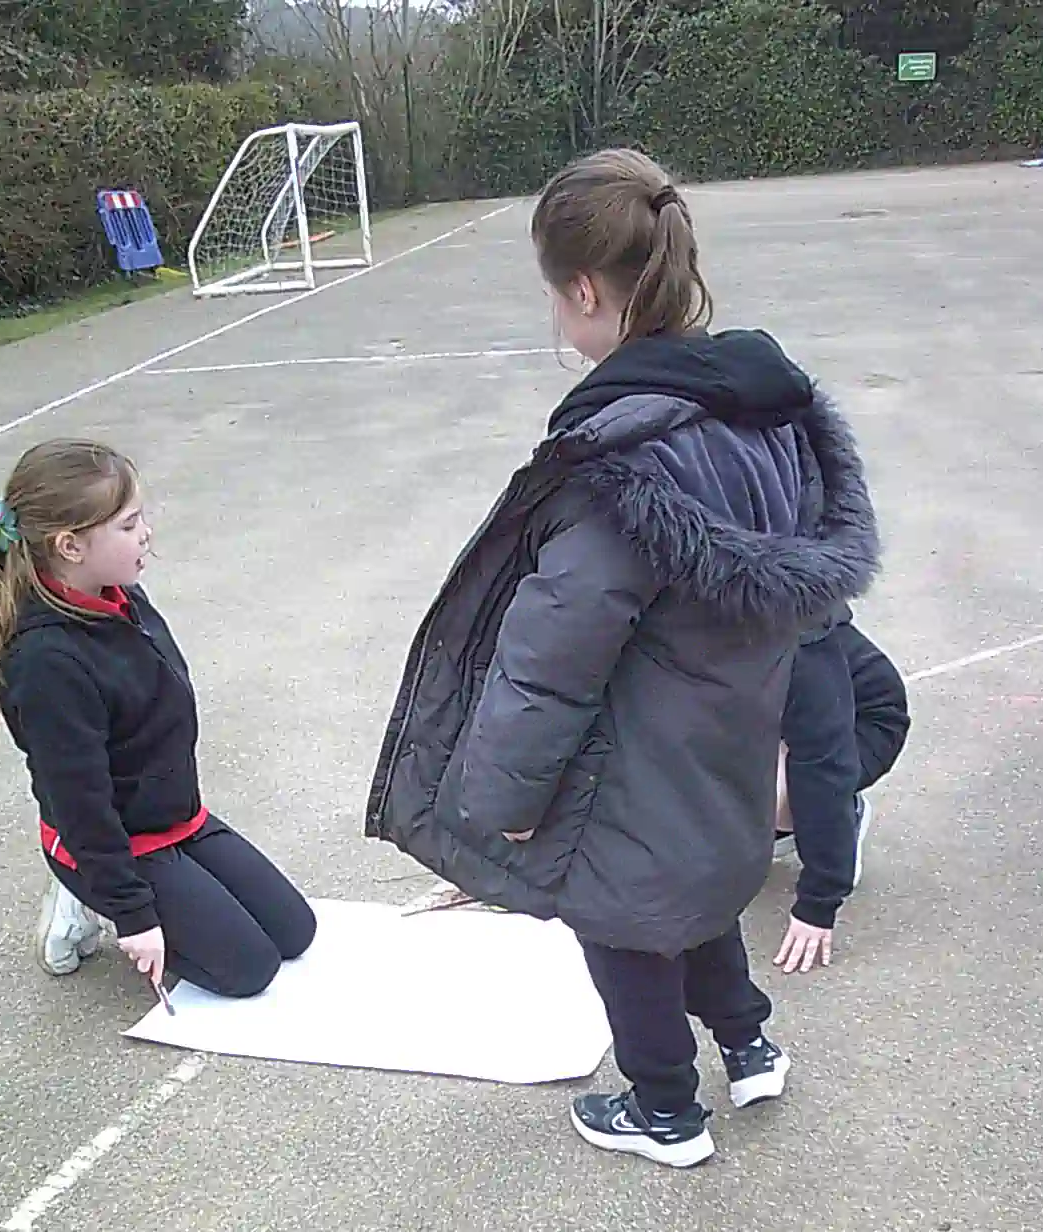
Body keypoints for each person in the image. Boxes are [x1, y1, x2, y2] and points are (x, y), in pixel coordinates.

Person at [366, 148, 878, 1167]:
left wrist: (505, 795)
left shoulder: (619, 464)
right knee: (699, 897)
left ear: (586, 292)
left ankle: (664, 1110)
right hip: (729, 733)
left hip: (633, 760)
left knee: (623, 926)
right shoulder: (762, 410)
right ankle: (750, 1045)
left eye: (555, 296)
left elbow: (551, 655)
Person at [0, 440, 315, 999]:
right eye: (128, 525)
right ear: (70, 546)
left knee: (295, 932)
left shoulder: (120, 596)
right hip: (107, 840)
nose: (146, 533)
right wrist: (132, 915)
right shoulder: (47, 663)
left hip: (173, 818)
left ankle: (132, 889)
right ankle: (83, 895)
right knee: (250, 971)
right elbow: (79, 801)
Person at [772, 617, 908, 972]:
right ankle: (775, 826)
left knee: (760, 791)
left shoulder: (796, 640)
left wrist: (818, 902)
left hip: (860, 725)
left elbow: (822, 767)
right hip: (786, 718)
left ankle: (844, 815)